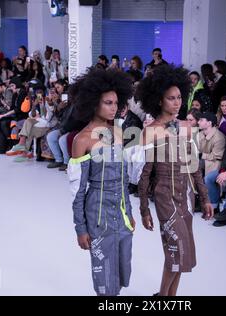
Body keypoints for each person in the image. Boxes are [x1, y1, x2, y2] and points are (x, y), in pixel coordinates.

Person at [136, 65, 213, 297]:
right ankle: (161, 297)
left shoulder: (187, 128)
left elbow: (195, 168)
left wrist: (206, 198)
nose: (177, 102)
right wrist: (143, 210)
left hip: (186, 197)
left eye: (180, 97)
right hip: (165, 197)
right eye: (171, 98)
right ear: (159, 101)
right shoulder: (150, 131)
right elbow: (145, 175)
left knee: (183, 253)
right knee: (175, 250)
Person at [68, 69, 135, 296]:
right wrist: (81, 228)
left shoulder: (117, 131)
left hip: (121, 214)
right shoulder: (82, 140)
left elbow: (124, 178)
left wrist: (130, 211)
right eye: (108, 102)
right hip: (97, 214)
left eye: (116, 102)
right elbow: (77, 191)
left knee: (123, 271)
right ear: (93, 103)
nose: (114, 107)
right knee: (105, 280)